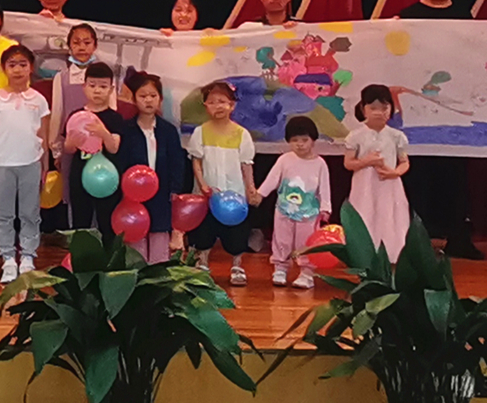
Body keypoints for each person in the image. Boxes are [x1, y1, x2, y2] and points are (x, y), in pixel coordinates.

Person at [394, 0, 487, 258]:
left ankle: (458, 238)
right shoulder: (406, 17)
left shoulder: (465, 17)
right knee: (418, 174)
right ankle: (416, 240)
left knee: (456, 175)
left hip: (455, 109)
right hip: (416, 109)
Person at [0, 45, 51, 284]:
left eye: (23, 64)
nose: (18, 70)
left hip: (30, 162)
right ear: (4, 68)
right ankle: (8, 258)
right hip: (2, 162)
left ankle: (28, 256)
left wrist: (45, 164)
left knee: (29, 213)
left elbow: (43, 134)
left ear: (31, 68)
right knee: (3, 214)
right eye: (12, 65)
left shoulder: (39, 100)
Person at [187, 80, 256, 285]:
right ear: (205, 106)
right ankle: (202, 262)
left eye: (222, 101)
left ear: (232, 105)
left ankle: (237, 265)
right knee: (204, 229)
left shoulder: (242, 134)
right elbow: (196, 161)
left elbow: (246, 164)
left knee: (237, 232)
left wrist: (250, 188)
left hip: (235, 194)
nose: (217, 106)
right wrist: (202, 184)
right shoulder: (200, 132)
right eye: (212, 102)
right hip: (207, 193)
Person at [115, 71, 187, 264]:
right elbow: (121, 161)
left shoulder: (168, 130)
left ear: (160, 99)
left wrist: (175, 188)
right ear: (134, 99)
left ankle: (158, 273)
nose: (148, 100)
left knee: (159, 235)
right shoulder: (126, 129)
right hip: (133, 195)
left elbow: (177, 161)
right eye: (143, 96)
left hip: (161, 192)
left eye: (153, 96)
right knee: (136, 235)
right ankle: (138, 275)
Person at [257, 115, 332, 288]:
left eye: (304, 140)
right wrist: (260, 194)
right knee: (281, 240)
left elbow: (325, 188)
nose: (300, 144)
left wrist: (325, 208)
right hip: (284, 210)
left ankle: (306, 273)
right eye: (295, 140)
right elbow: (272, 179)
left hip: (309, 214)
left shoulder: (320, 164)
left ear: (313, 140)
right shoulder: (284, 160)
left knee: (306, 243)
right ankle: (280, 268)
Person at [46, 23, 104, 231]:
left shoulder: (103, 75)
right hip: (72, 145)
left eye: (87, 42)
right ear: (69, 47)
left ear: (95, 46)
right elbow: (57, 113)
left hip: (99, 146)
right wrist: (56, 149)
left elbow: (111, 110)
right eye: (76, 43)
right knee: (74, 192)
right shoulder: (61, 78)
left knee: (99, 187)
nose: (82, 47)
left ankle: (98, 235)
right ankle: (77, 236)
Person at [64, 61, 130, 244]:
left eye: (103, 86)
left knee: (107, 221)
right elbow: (68, 148)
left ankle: (108, 256)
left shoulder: (115, 118)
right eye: (92, 86)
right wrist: (73, 142)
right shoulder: (76, 115)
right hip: (80, 173)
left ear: (111, 89)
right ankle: (81, 256)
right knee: (81, 220)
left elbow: (114, 147)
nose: (97, 91)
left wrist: (103, 132)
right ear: (84, 87)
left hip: (107, 177)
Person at [344, 84, 411, 262]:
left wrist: (394, 173)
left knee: (389, 216)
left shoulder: (396, 136)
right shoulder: (355, 136)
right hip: (364, 186)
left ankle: (392, 255)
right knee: (365, 214)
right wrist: (367, 161)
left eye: (384, 108)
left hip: (389, 184)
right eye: (373, 108)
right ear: (363, 109)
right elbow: (348, 163)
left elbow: (404, 162)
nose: (379, 112)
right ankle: (364, 255)